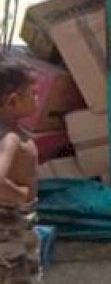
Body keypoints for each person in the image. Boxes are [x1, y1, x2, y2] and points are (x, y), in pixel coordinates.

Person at [0, 60, 40, 282]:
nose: (37, 99)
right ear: (13, 101)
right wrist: (21, 195)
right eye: (33, 94)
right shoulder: (10, 138)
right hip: (10, 225)